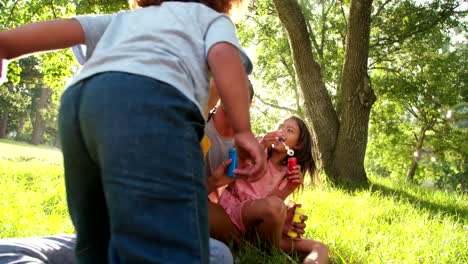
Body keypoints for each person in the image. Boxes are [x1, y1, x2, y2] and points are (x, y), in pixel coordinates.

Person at [0, 0, 268, 262]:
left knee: (96, 240)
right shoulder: (211, 20)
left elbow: (66, 28)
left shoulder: (125, 20)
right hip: (153, 104)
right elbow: (224, 55)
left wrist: (5, 46)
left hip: (79, 106)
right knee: (166, 245)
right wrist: (243, 131)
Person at [218, 116, 329, 264]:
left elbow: (270, 205)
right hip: (233, 213)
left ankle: (269, 247)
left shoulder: (287, 173)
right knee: (275, 206)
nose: (282, 132)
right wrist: (261, 145)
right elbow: (234, 164)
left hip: (259, 230)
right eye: (280, 126)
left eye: (289, 130)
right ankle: (269, 250)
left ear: (298, 145)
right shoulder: (258, 147)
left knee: (320, 247)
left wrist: (289, 189)